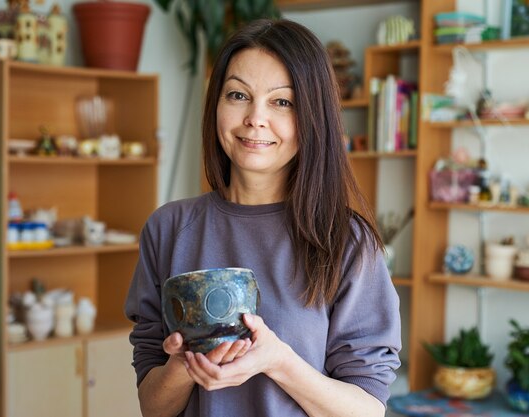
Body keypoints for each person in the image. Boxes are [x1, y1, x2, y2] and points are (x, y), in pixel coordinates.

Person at [125, 18, 401, 417]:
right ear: (216, 104)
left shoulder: (346, 241)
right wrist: (186, 362)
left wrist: (278, 361)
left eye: (282, 102)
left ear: (312, 117)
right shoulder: (168, 229)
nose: (255, 118)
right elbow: (153, 407)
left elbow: (366, 410)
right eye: (238, 95)